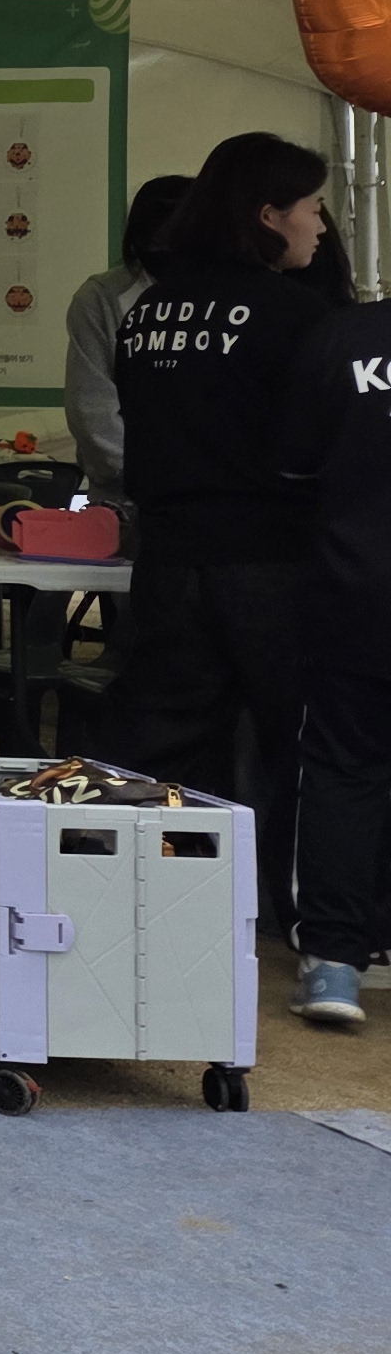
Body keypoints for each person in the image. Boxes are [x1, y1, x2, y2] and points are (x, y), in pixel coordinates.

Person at [105, 132, 349, 1005]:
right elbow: (314, 451)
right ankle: (293, 924)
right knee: (301, 743)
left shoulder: (148, 311)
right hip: (272, 560)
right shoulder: (296, 317)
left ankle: (164, 912)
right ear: (268, 214)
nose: (321, 225)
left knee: (171, 746)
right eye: (312, 206)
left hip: (168, 557)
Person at [283, 281, 391, 1032]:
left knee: (346, 768)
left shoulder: (343, 338)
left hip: (359, 586)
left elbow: (292, 468)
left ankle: (335, 964)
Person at [63, 175, 191, 497]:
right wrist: (141, 477)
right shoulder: (101, 297)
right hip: (125, 490)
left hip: (204, 493)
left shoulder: (224, 294)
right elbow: (91, 408)